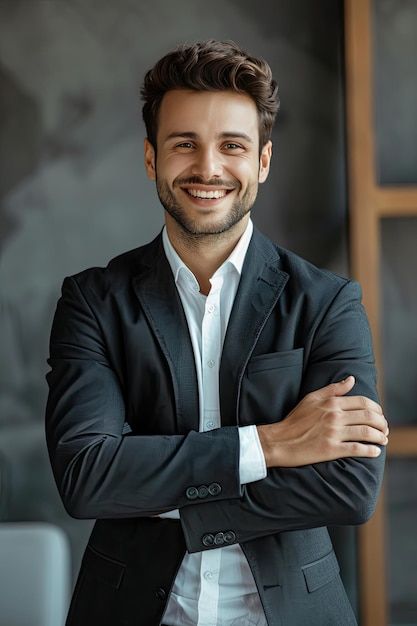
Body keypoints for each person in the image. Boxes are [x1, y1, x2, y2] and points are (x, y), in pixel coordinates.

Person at [45, 40, 388, 626]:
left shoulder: (327, 302)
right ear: (152, 158)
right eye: (185, 144)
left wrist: (166, 492)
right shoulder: (93, 302)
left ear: (263, 161)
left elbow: (350, 487)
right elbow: (88, 478)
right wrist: (271, 445)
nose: (208, 168)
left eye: (232, 145)